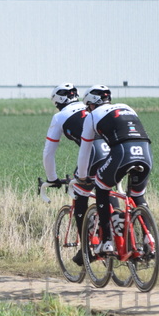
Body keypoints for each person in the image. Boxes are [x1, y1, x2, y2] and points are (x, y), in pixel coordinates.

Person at [74, 86, 153, 256]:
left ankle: (107, 241)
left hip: (122, 152)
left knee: (102, 187)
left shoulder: (92, 116)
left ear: (91, 104)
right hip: (145, 151)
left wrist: (82, 176)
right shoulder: (126, 107)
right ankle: (150, 237)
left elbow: (85, 151)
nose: (88, 110)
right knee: (137, 194)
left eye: (88, 106)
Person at [43, 82, 111, 265]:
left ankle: (86, 248)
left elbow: (49, 153)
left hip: (93, 155)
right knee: (107, 191)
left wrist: (52, 179)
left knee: (80, 192)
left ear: (58, 101)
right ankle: (113, 235)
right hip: (114, 152)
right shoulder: (93, 108)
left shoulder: (59, 116)